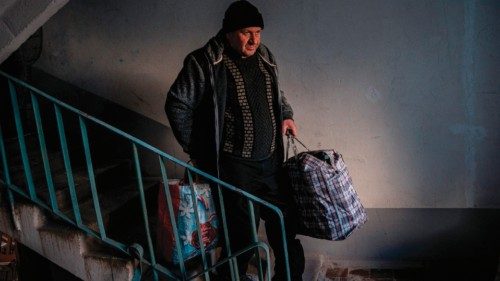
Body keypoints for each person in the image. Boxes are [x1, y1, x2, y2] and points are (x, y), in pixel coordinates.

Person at [165, 1, 305, 280]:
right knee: (241, 236)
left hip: (271, 161)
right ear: (228, 32)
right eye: (246, 32)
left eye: (258, 31)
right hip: (235, 167)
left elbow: (276, 93)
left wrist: (286, 114)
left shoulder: (265, 56)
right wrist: (197, 149)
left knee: (285, 226)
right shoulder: (205, 61)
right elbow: (177, 104)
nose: (254, 39)